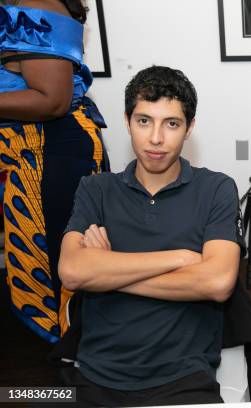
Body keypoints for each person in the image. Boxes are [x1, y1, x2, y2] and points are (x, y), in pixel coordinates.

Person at [57, 66, 243, 406]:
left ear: (189, 128)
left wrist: (106, 271)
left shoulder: (216, 188)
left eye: (171, 123)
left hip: (183, 376)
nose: (156, 138)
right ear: (127, 121)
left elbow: (217, 282)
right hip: (94, 373)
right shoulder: (96, 189)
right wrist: (182, 258)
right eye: (144, 121)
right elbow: (71, 271)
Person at [0, 0, 109, 343]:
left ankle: (82, 358)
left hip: (51, 153)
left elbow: (54, 100)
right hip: (28, 153)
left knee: (64, 263)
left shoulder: (35, 5)